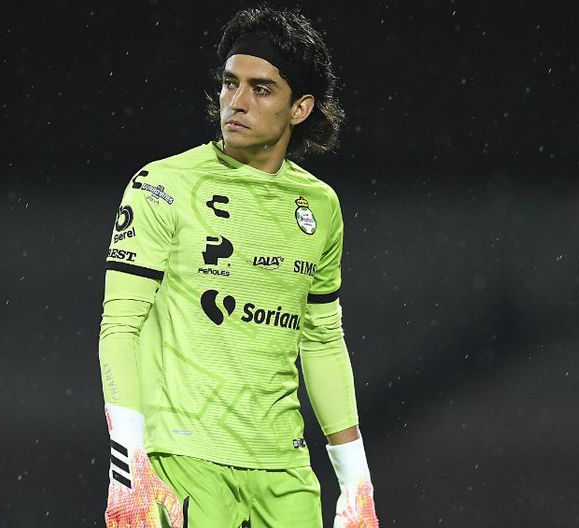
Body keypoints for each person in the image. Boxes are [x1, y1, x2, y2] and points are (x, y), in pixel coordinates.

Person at [99, 6, 379, 527]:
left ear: (300, 108)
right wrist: (127, 467)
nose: (237, 102)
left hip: (287, 473)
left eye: (261, 89)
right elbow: (119, 327)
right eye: (231, 83)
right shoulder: (162, 186)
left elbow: (322, 339)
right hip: (184, 462)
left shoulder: (320, 206)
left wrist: (356, 481)